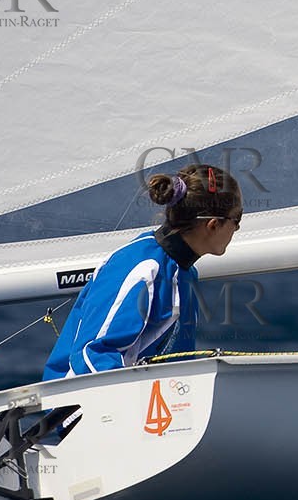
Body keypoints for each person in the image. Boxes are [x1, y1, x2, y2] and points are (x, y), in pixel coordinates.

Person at [43, 163, 242, 380]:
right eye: (237, 219)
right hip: (77, 406)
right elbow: (92, 355)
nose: (238, 228)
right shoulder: (142, 268)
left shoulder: (184, 273)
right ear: (213, 225)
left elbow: (177, 364)